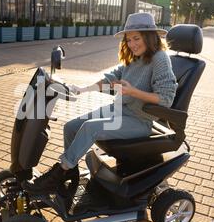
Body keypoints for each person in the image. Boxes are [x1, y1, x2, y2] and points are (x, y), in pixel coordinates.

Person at [24, 12, 178, 194]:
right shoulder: (134, 57)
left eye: (136, 38)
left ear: (149, 37)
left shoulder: (160, 58)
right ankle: (70, 172)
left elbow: (166, 98)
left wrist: (133, 92)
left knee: (90, 128)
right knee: (71, 127)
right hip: (118, 110)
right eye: (128, 40)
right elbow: (112, 78)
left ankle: (60, 171)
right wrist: (82, 89)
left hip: (139, 120)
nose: (132, 44)